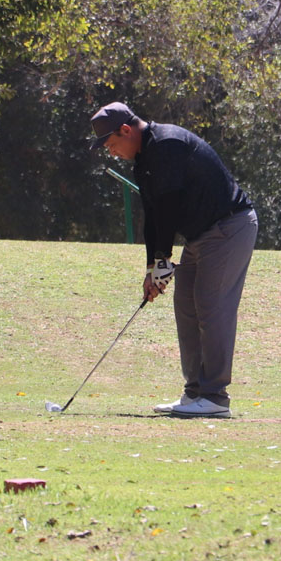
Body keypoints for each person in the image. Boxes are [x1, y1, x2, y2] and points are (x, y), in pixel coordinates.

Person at [89, 102, 258, 418]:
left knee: (211, 307)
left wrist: (163, 260)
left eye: (111, 145)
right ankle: (195, 393)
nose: (112, 153)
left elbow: (168, 209)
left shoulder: (166, 144)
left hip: (228, 227)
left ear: (125, 130)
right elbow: (153, 217)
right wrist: (152, 269)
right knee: (186, 307)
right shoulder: (144, 161)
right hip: (200, 235)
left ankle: (215, 398)